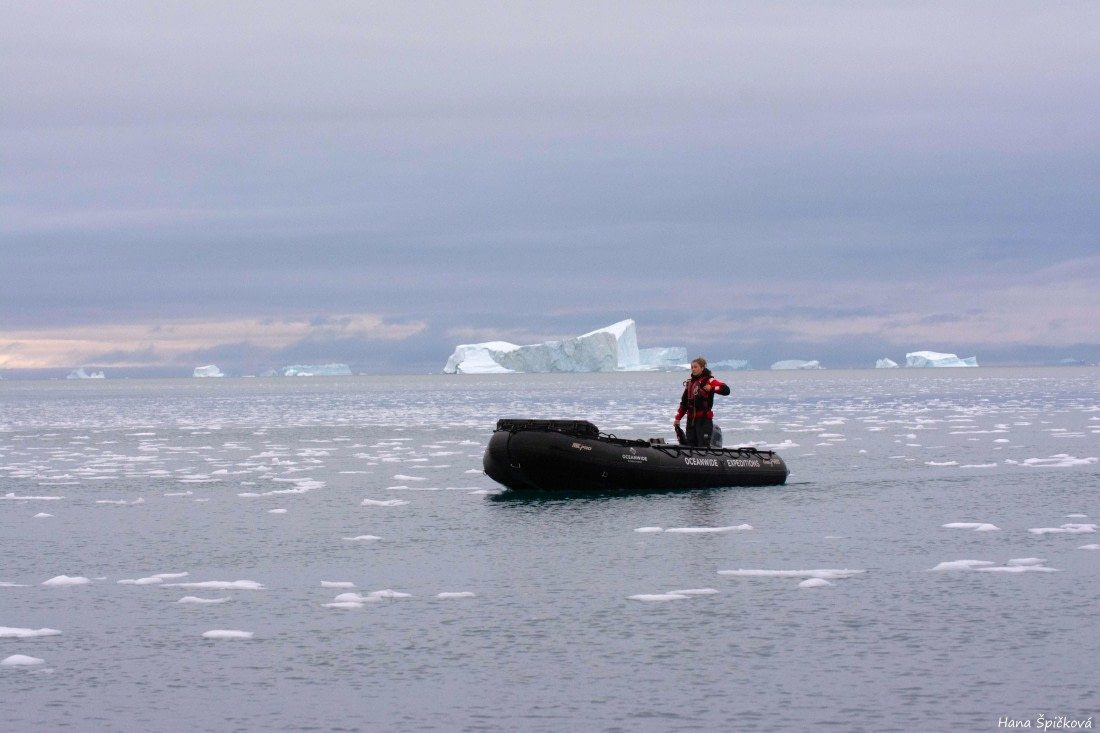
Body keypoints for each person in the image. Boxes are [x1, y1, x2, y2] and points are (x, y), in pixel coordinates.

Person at [674, 357, 730, 447]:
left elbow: (726, 390)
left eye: (695, 367)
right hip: (691, 421)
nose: (693, 369)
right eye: (692, 367)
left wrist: (712, 389)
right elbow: (684, 403)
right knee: (690, 445)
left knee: (703, 445)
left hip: (703, 421)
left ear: (702, 368)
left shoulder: (709, 380)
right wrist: (678, 418)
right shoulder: (690, 383)